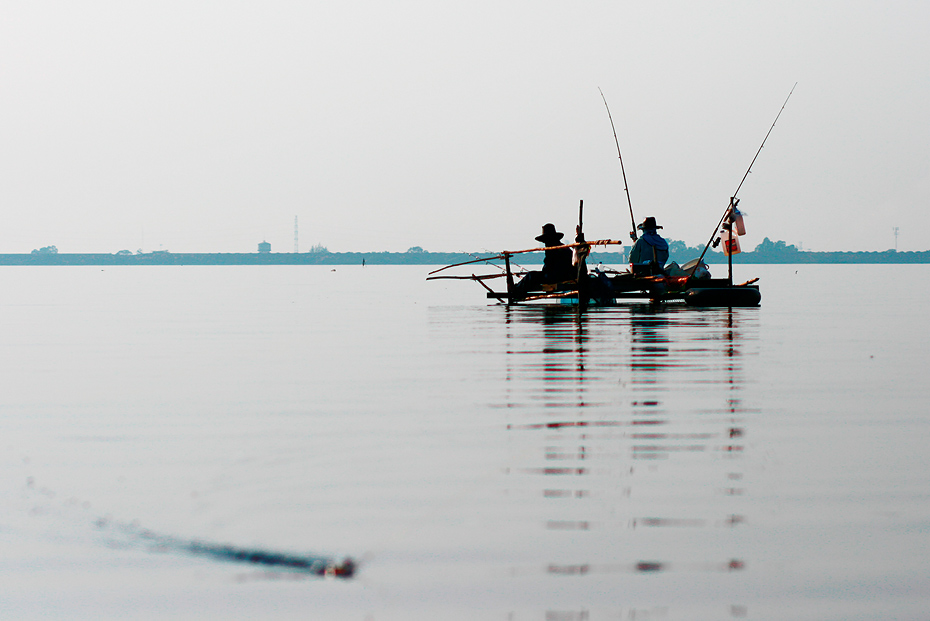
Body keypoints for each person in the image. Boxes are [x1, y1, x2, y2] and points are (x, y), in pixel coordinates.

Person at [512, 223, 575, 297]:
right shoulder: (564, 247)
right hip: (564, 276)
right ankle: (517, 288)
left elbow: (548, 267)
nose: (545, 243)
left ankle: (516, 291)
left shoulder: (553, 249)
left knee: (531, 275)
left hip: (556, 277)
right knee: (532, 276)